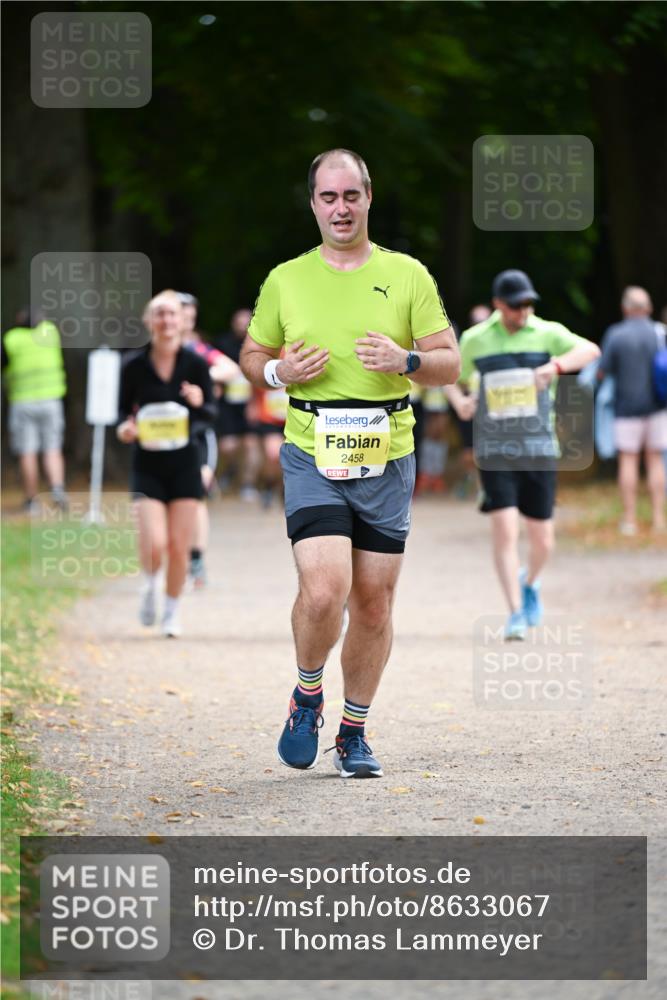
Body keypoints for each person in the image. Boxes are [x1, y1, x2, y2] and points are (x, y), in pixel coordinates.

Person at [240, 148, 459, 778]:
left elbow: (449, 362)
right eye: (328, 197)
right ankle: (308, 692)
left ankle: (354, 732)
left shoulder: (408, 274)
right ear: (313, 203)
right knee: (324, 591)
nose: (341, 208)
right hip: (311, 445)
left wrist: (407, 361)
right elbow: (252, 354)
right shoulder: (287, 278)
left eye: (351, 196)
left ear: (368, 198)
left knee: (372, 604)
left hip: (387, 452)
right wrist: (278, 371)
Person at [451, 270, 599, 640]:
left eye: (528, 304)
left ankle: (529, 582)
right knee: (504, 530)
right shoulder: (475, 339)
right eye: (517, 305)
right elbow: (452, 375)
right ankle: (515, 612)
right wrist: (461, 402)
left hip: (538, 447)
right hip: (495, 449)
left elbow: (591, 350)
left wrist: (555, 366)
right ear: (499, 305)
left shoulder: (545, 332)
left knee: (543, 540)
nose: (524, 311)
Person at [117, 290, 216, 636]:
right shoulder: (134, 365)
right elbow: (121, 412)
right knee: (154, 542)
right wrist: (125, 428)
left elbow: (209, 414)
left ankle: (172, 612)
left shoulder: (196, 364)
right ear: (149, 321)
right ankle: (149, 584)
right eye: (159, 313)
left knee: (179, 546)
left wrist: (199, 401)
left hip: (185, 463)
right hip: (147, 464)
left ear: (182, 320)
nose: (166, 320)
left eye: (172, 314)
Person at [178, 292, 241, 586]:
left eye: (191, 315)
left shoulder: (199, 350)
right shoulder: (155, 352)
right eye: (182, 314)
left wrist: (202, 377)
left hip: (198, 432)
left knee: (196, 494)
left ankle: (197, 558)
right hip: (163, 435)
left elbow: (231, 369)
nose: (186, 320)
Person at [598, 286, 667, 535]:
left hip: (626, 408)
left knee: (628, 461)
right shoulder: (659, 333)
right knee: (655, 460)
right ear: (647, 308)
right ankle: (659, 519)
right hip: (658, 407)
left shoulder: (616, 335)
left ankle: (629, 520)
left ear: (625, 308)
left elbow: (601, 371)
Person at [2, 308, 68, 512]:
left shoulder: (12, 339)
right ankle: (57, 491)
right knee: (52, 448)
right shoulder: (51, 332)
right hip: (51, 400)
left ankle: (32, 499)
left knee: (27, 451)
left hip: (23, 402)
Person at [445, 304, 492, 498]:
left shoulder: (498, 343)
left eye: (484, 321)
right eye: (476, 321)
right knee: (469, 451)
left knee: (488, 449)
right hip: (472, 404)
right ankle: (472, 478)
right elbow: (452, 379)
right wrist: (461, 400)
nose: (480, 325)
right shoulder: (466, 343)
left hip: (494, 407)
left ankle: (485, 487)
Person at [215, 308, 262, 499]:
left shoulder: (259, 345)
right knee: (228, 446)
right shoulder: (222, 344)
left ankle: (247, 485)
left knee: (251, 445)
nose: (242, 326)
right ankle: (229, 470)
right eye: (239, 322)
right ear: (232, 323)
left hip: (251, 402)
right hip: (228, 404)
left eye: (246, 322)